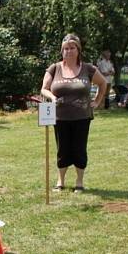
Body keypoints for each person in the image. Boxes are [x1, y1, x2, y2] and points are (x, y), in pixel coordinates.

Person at [40, 33, 107, 192]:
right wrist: (52, 97)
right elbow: (44, 89)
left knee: (79, 148)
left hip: (82, 116)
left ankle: (79, 182)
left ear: (78, 50)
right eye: (65, 48)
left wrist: (97, 101)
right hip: (60, 116)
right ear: (62, 51)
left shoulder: (88, 68)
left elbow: (103, 83)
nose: (68, 51)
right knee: (62, 149)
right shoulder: (54, 68)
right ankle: (60, 181)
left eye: (72, 48)